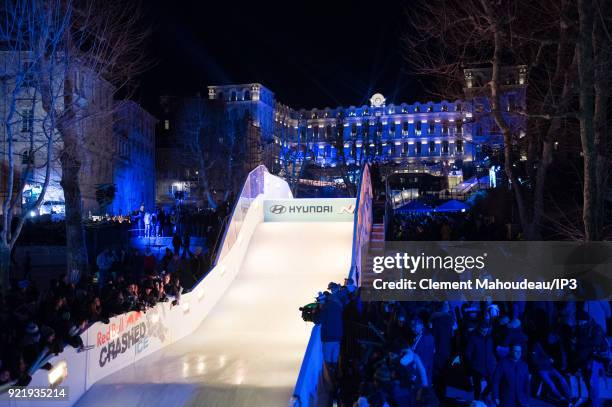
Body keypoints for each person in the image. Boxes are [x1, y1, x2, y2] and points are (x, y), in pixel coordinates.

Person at [466, 322, 497, 402]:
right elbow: (468, 353)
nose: (484, 332)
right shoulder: (473, 338)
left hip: (489, 366)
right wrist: (472, 363)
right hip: (477, 367)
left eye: (486, 330)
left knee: (492, 383)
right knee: (477, 387)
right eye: (483, 330)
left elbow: (492, 351)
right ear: (479, 329)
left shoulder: (490, 338)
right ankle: (476, 401)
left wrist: (493, 361)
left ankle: (484, 395)